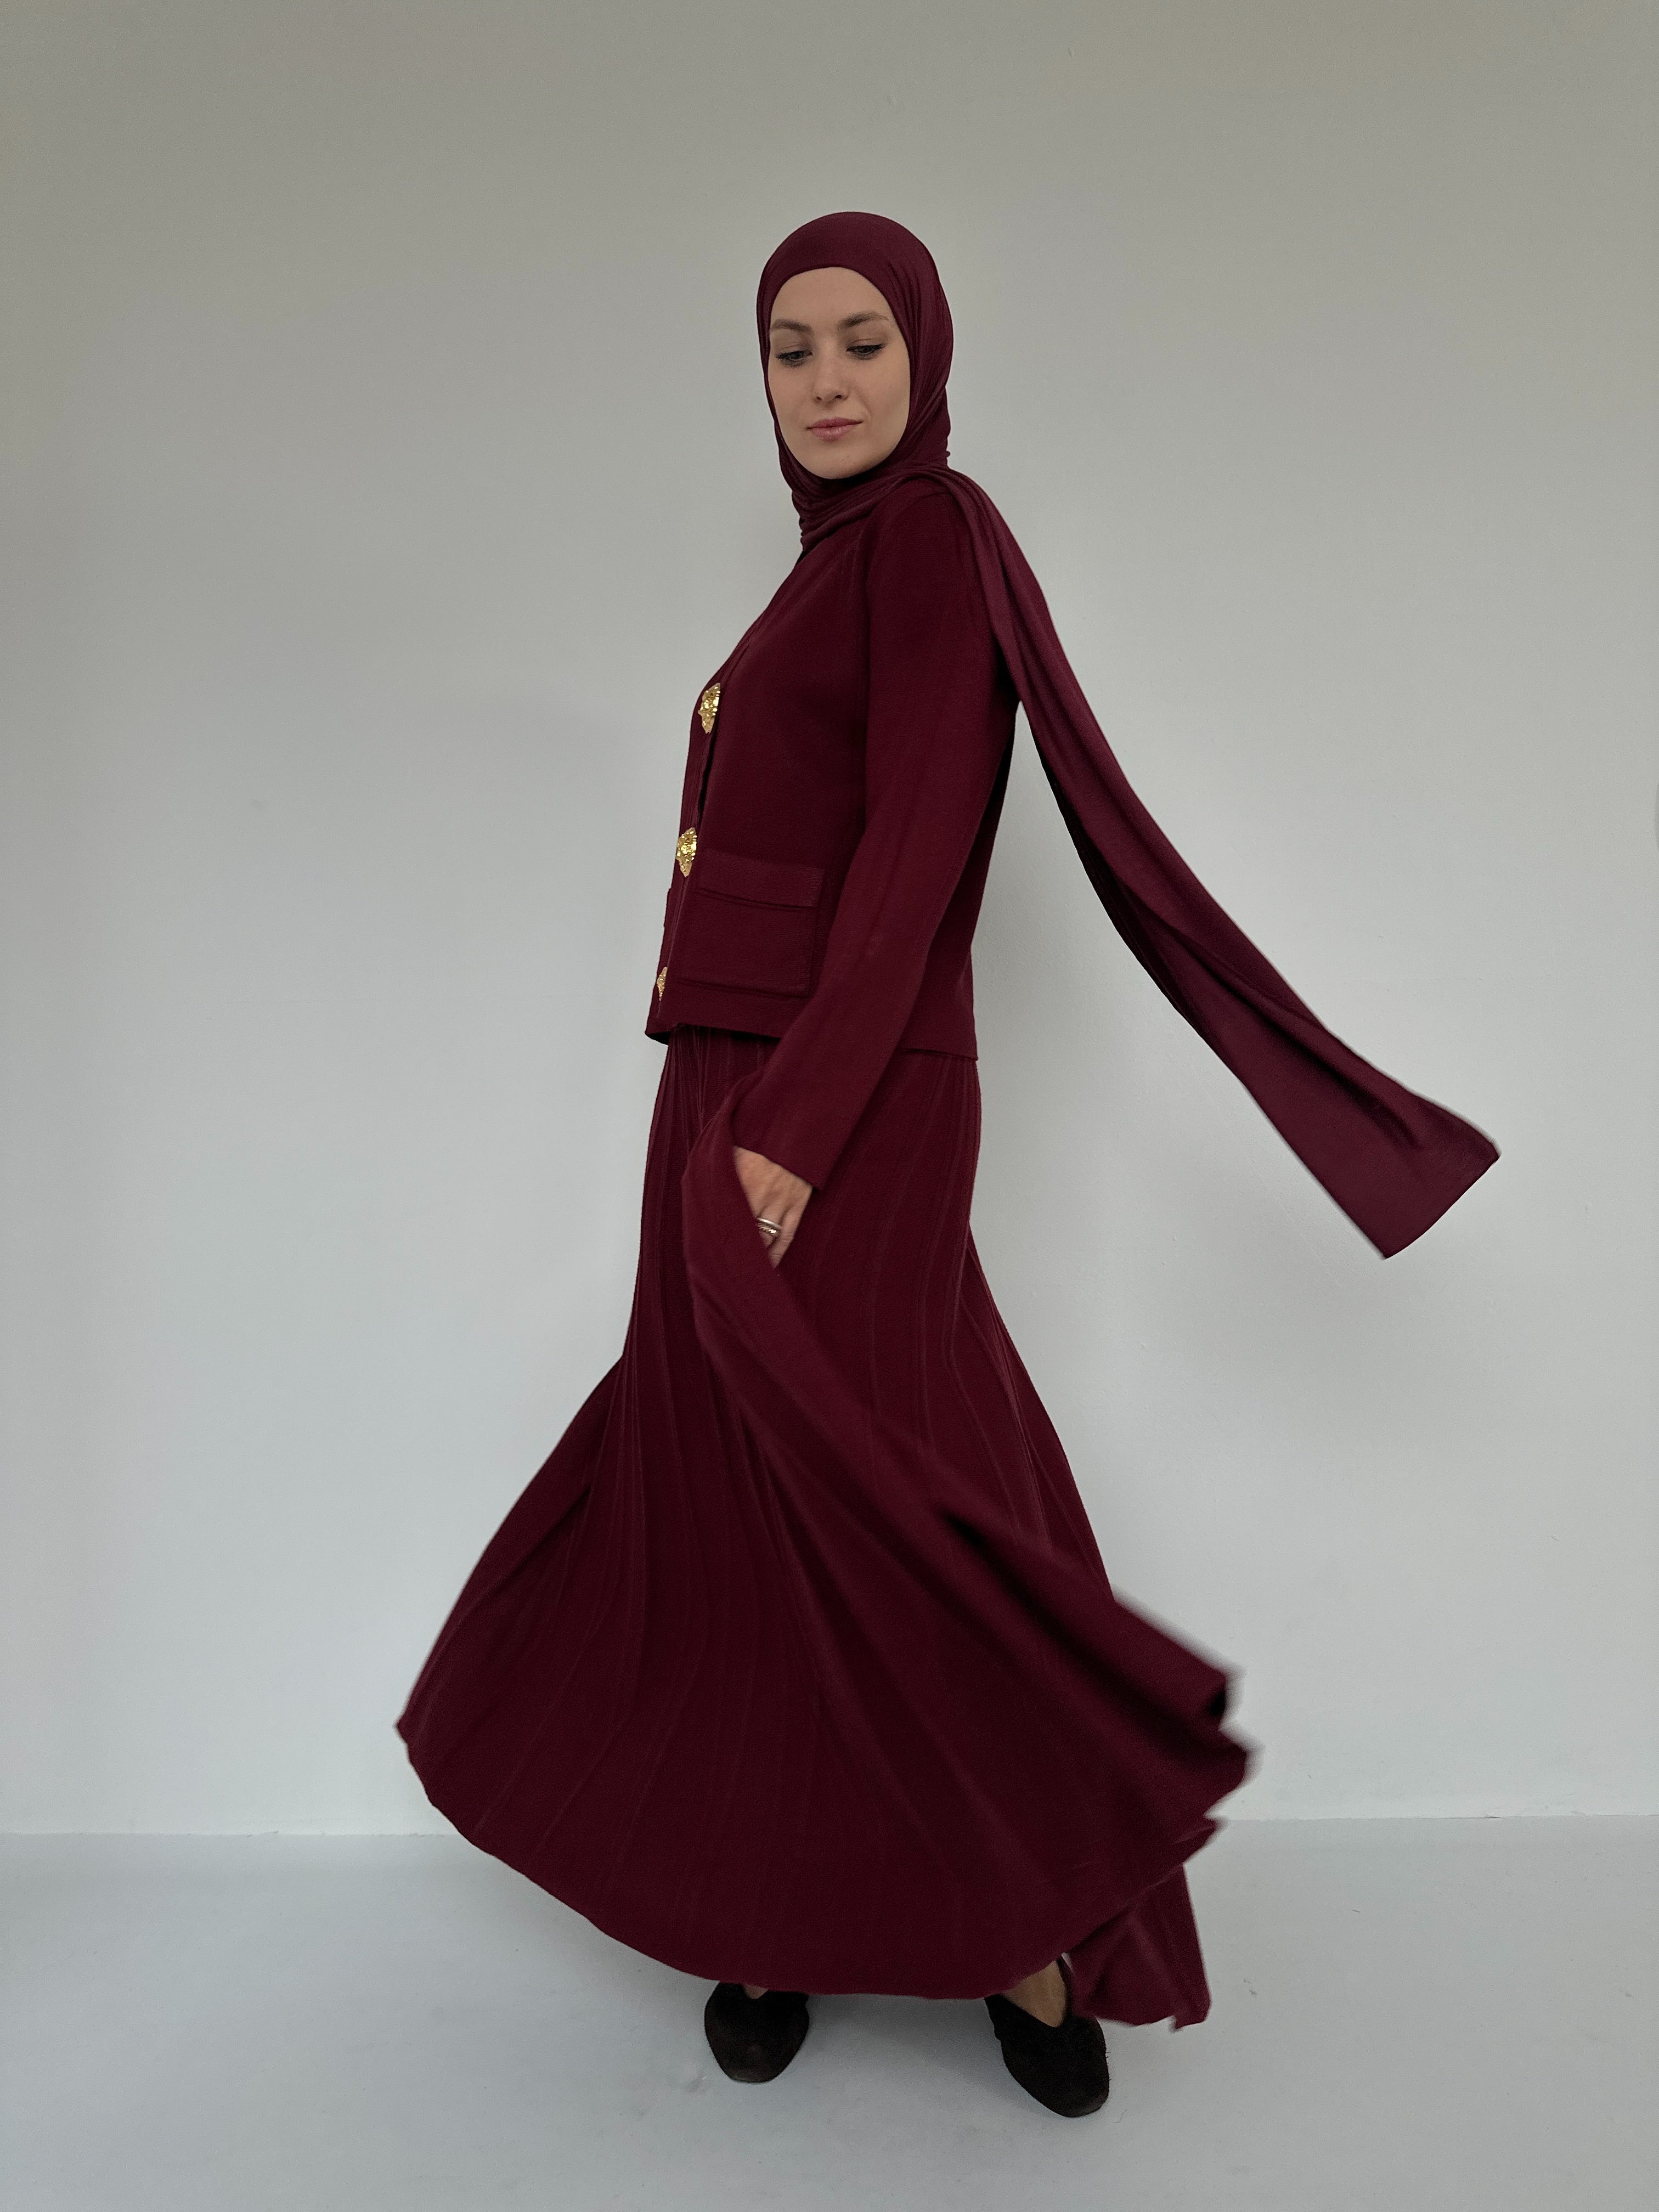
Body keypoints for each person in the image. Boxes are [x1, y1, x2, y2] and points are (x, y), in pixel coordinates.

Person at [397, 212, 1497, 2120]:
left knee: (901, 1483)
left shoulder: (927, 535)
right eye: (790, 347)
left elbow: (917, 854)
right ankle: (770, 1906)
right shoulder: (824, 568)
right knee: (737, 1489)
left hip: (839, 1096)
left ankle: (1034, 1928)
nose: (825, 381)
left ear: (928, 356)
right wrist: (736, 1104)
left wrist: (799, 1129)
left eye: (862, 342)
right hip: (728, 1081)